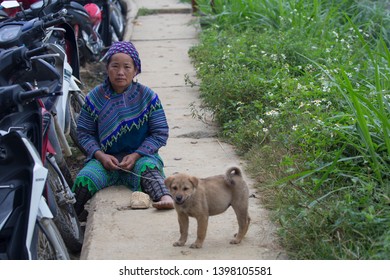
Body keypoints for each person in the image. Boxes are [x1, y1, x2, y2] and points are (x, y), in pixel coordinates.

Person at [72, 41, 174, 219]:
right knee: (85, 179)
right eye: (115, 66)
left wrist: (136, 155)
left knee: (150, 172)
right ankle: (74, 217)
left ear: (136, 70)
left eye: (127, 67)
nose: (120, 72)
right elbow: (84, 133)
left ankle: (164, 197)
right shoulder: (94, 97)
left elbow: (160, 132)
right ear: (107, 68)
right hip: (104, 161)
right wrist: (100, 155)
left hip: (140, 158)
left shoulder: (148, 97)